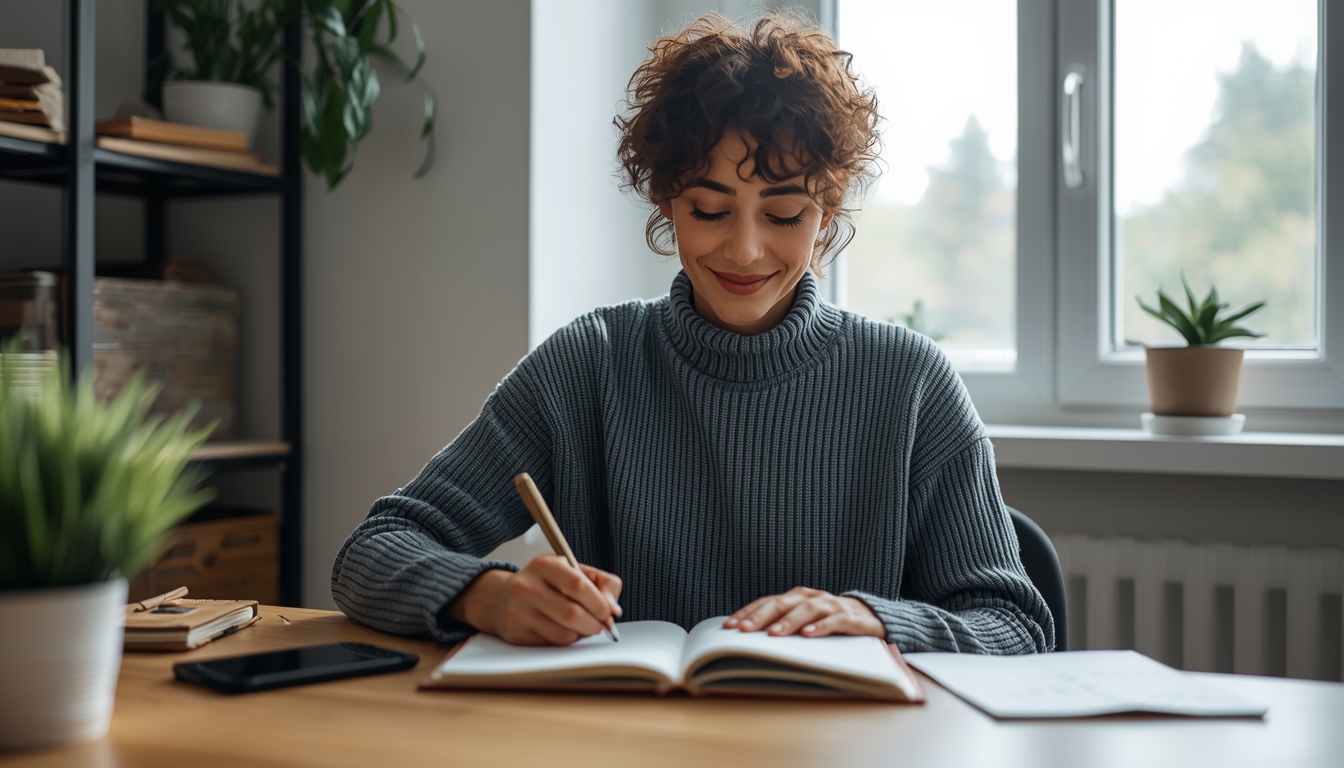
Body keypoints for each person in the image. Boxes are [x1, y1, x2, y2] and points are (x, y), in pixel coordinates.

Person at [332, 12, 1054, 654]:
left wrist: (878, 621)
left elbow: (1014, 625)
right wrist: (486, 594)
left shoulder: (910, 381)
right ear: (667, 201)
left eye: (784, 215)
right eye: (710, 210)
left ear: (826, 215)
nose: (744, 251)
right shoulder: (590, 364)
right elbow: (371, 552)